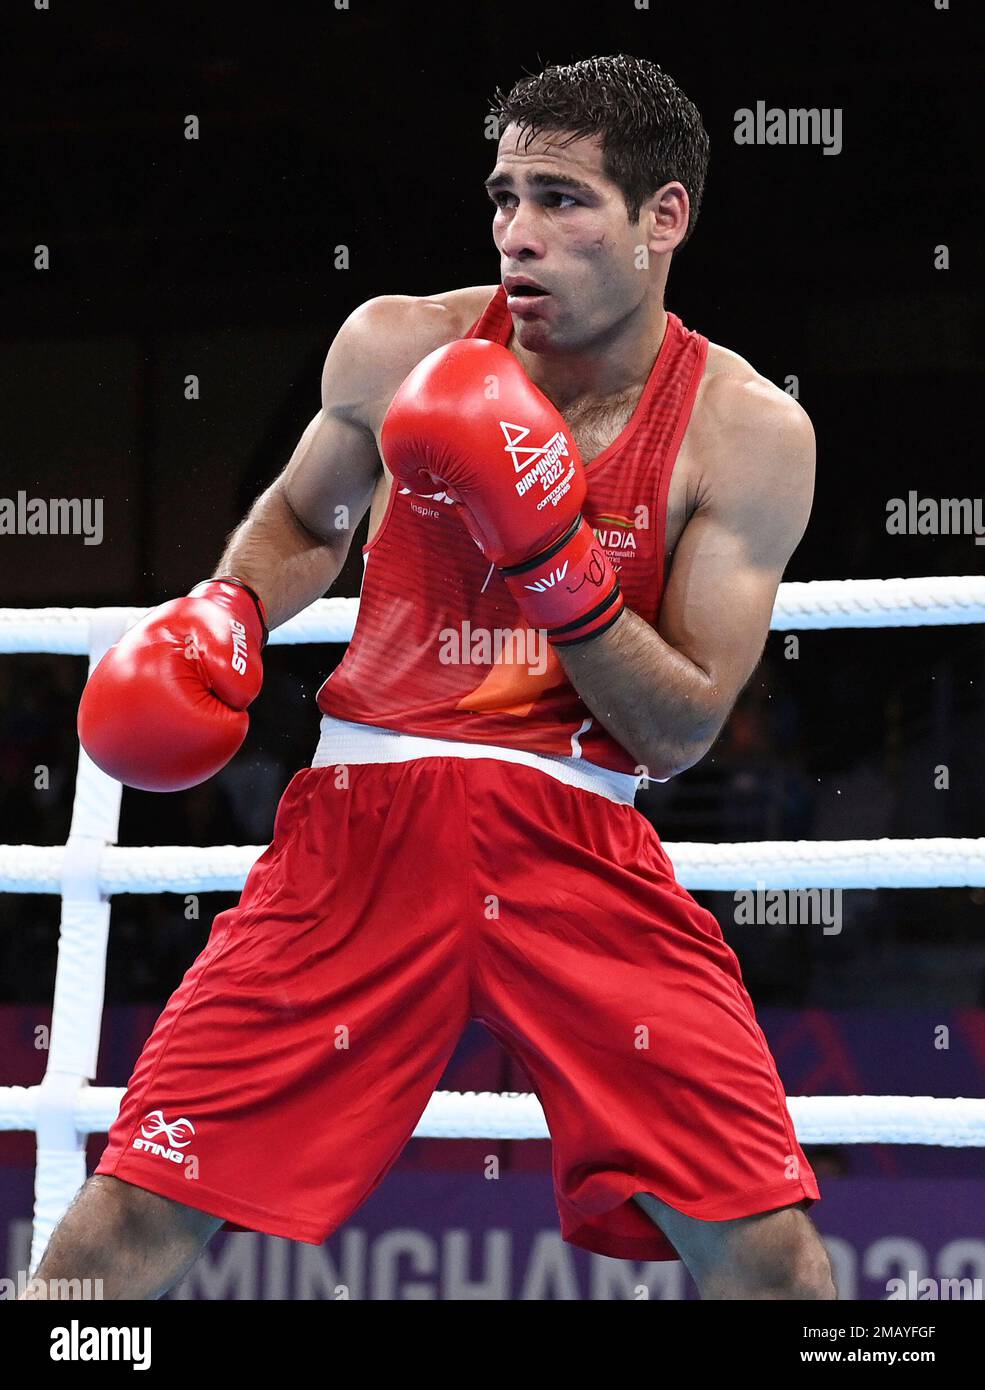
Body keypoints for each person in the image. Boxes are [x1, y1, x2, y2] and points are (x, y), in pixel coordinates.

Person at [25, 54, 834, 1301]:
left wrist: (550, 552)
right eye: (504, 195)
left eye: (563, 199)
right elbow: (305, 517)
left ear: (662, 219)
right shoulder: (398, 341)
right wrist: (231, 605)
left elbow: (678, 727)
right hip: (357, 841)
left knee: (772, 1261)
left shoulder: (746, 432)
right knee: (123, 1224)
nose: (519, 231)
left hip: (581, 843)